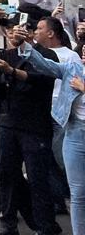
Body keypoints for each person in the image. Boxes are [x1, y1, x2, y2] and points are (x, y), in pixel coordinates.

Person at [0, 22, 59, 235]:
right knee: (6, 173)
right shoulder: (8, 53)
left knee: (37, 179)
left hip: (35, 125)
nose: (16, 33)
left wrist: (13, 71)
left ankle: (45, 226)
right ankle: (8, 224)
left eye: (31, 30)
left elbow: (43, 79)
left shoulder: (45, 55)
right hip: (8, 122)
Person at [16, 24, 85, 235]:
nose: (84, 52)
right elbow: (45, 65)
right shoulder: (74, 68)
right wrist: (25, 45)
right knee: (78, 193)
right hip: (74, 133)